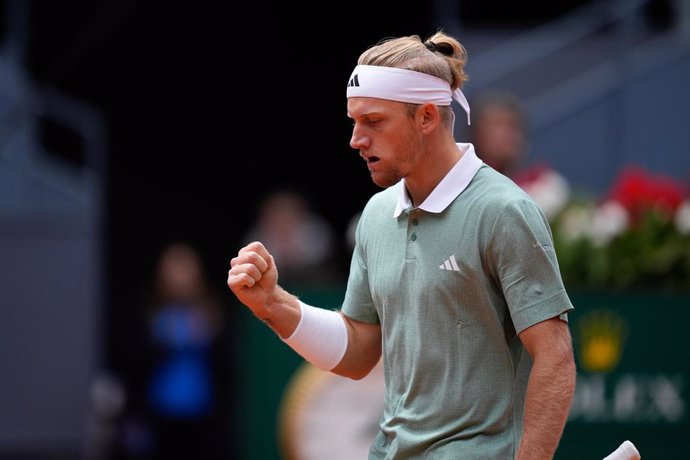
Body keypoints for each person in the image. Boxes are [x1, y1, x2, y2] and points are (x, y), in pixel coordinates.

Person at [227, 30, 576, 460]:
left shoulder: (503, 211)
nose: (356, 139)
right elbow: (358, 351)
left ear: (427, 117)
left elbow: (555, 358)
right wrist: (273, 305)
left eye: (373, 121)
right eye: (354, 122)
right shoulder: (375, 215)